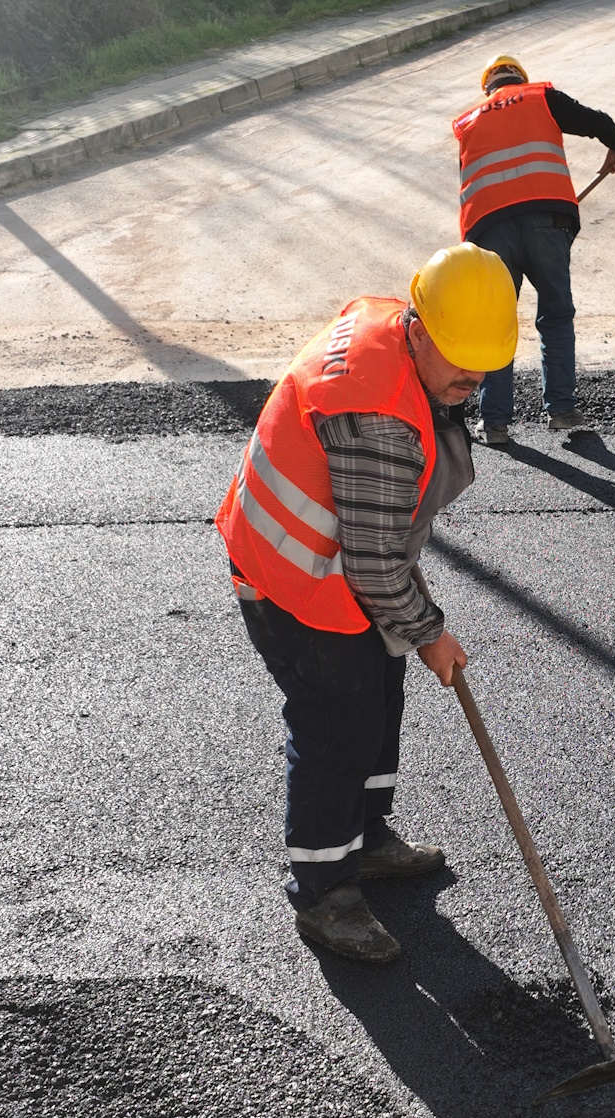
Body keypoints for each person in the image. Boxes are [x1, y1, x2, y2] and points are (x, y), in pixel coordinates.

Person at [214, 245, 518, 962]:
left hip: (341, 561)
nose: (470, 379)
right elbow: (376, 563)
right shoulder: (377, 415)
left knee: (380, 690)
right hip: (292, 574)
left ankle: (368, 837)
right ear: (417, 327)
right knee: (335, 720)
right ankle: (326, 894)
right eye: (457, 359)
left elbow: (381, 551)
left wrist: (409, 632)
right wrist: (430, 632)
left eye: (483, 362)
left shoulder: (399, 334)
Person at [452, 53, 615, 444]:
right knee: (555, 315)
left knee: (497, 324)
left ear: (488, 87)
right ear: (519, 78)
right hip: (546, 224)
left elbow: (469, 187)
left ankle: (494, 423)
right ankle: (562, 409)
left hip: (490, 231)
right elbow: (599, 122)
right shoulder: (539, 98)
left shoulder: (468, 122)